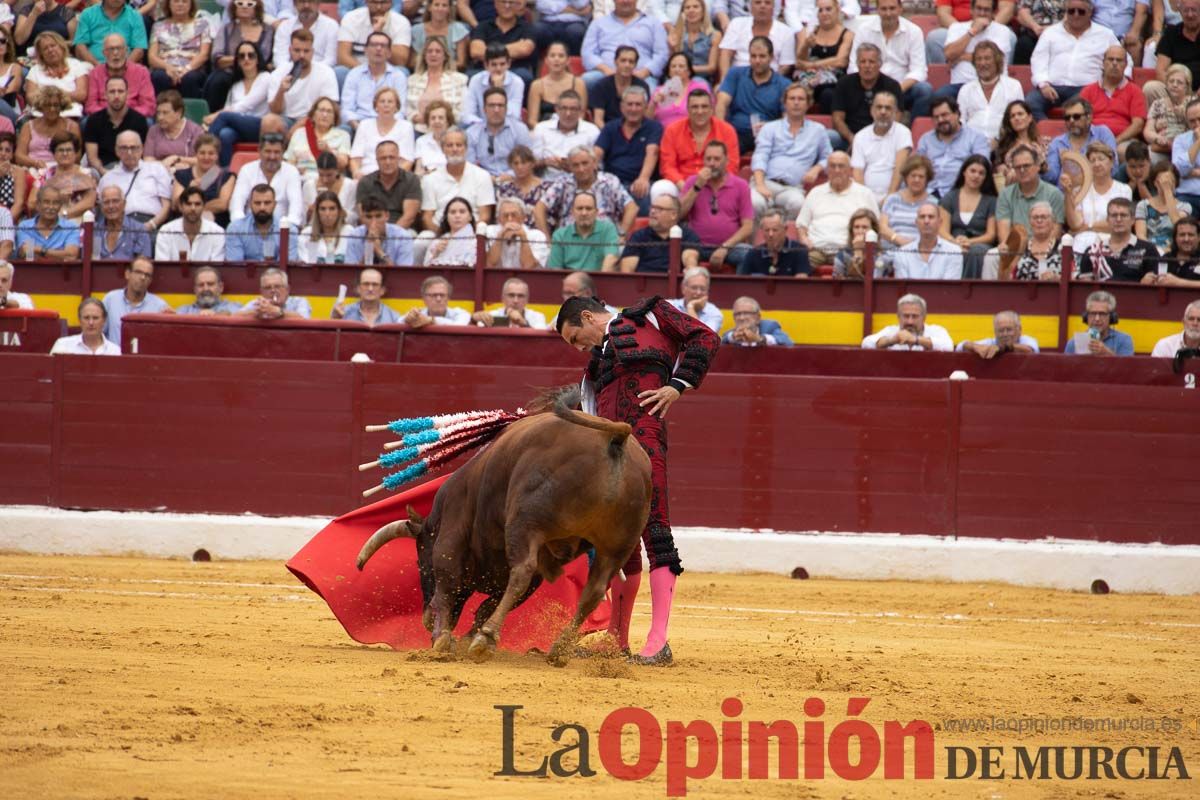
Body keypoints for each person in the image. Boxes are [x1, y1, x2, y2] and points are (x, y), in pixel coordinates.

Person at [555, 290, 721, 664]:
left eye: (574, 339)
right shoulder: (594, 366)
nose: (579, 348)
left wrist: (677, 386)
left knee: (655, 530)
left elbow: (705, 337)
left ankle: (658, 640)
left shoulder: (649, 315)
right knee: (618, 542)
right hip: (610, 453)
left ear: (585, 318)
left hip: (645, 441)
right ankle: (617, 637)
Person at [1025, 0, 1120, 120]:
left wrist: (1114, 83)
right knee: (1029, 104)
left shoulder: (1105, 34)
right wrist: (1043, 85)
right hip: (1052, 87)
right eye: (1071, 11)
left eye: (1081, 11)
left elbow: (1124, 59)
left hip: (1087, 88)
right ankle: (1046, 133)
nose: (1076, 15)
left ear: (1090, 12)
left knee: (1075, 108)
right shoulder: (1050, 33)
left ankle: (1067, 137)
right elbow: (1038, 60)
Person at [846, 0, 933, 119]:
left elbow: (919, 71)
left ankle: (912, 131)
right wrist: (869, 85)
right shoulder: (864, 30)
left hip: (902, 87)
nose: (888, 13)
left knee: (924, 90)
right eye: (884, 9)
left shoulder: (914, 31)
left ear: (900, 9)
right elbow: (853, 67)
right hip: (870, 86)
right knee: (843, 88)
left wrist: (896, 89)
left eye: (892, 8)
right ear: (877, 10)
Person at [678, 140, 753, 271]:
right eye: (708, 159)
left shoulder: (741, 185)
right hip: (695, 245)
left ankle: (741, 291)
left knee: (749, 254)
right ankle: (691, 288)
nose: (712, 163)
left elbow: (748, 227)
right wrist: (697, 187)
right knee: (675, 251)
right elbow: (678, 215)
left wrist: (724, 248)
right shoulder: (692, 182)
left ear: (727, 161)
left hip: (729, 247)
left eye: (717, 159)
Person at [795, 150, 880, 265]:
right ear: (827, 170)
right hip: (817, 249)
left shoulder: (865, 194)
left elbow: (876, 227)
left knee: (851, 271)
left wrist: (860, 246)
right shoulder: (815, 192)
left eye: (841, 166)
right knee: (799, 267)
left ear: (850, 170)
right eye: (832, 166)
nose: (837, 170)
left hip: (849, 249)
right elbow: (801, 225)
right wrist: (805, 241)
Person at [655, 89, 739, 196]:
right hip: (682, 184)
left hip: (716, 184)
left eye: (704, 106)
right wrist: (685, 186)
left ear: (712, 109)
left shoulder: (727, 131)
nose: (700, 111)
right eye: (695, 107)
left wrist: (711, 186)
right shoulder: (672, 130)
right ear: (687, 110)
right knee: (660, 188)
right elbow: (667, 166)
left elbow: (731, 165)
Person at [535, 146, 637, 235]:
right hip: (569, 242)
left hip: (603, 242)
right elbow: (539, 208)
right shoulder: (563, 183)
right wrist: (547, 241)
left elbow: (632, 207)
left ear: (594, 163)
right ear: (570, 167)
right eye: (576, 165)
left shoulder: (609, 181)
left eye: (585, 163)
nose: (581, 169)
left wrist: (622, 235)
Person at [715, 36, 790, 154]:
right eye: (753, 56)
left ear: (771, 57)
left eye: (762, 56)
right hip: (737, 132)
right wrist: (720, 132)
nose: (757, 60)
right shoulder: (735, 74)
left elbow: (788, 119)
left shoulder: (783, 84)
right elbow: (721, 103)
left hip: (769, 135)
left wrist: (770, 126)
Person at [595, 86, 662, 215]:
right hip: (612, 181)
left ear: (645, 107)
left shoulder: (654, 127)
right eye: (629, 104)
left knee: (642, 197)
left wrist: (643, 178)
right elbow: (597, 152)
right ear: (622, 107)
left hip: (638, 182)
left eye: (638, 104)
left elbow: (652, 153)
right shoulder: (610, 127)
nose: (633, 109)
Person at [204, 41, 272, 165]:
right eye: (242, 56)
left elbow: (245, 105)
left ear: (258, 59)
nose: (246, 59)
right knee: (225, 134)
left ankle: (203, 149)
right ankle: (225, 173)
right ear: (238, 61)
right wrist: (220, 116)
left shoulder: (266, 77)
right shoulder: (236, 84)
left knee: (223, 116)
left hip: (259, 126)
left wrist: (215, 116)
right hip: (239, 128)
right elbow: (228, 107)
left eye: (251, 55)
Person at [581, 0, 669, 92]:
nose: (625, 1)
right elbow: (587, 53)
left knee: (651, 90)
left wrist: (644, 72)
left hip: (642, 76)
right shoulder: (598, 23)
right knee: (586, 80)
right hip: (605, 74)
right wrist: (606, 70)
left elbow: (662, 54)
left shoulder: (653, 23)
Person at [936, 0, 1015, 102]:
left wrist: (960, 56)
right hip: (960, 85)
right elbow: (949, 54)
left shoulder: (1002, 31)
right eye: (979, 8)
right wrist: (972, 31)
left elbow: (994, 59)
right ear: (971, 10)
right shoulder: (956, 28)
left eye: (986, 10)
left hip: (992, 85)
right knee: (940, 96)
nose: (982, 13)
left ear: (993, 13)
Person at [94, 131, 172, 234]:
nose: (129, 152)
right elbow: (103, 210)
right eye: (124, 148)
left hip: (153, 224)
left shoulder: (157, 169)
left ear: (141, 149)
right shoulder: (108, 178)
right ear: (117, 151)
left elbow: (166, 206)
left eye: (134, 148)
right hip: (120, 227)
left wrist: (151, 225)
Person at [830, 44, 903, 150]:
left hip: (881, 138)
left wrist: (876, 139)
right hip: (849, 138)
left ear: (879, 64)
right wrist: (852, 138)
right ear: (857, 64)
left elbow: (896, 117)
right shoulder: (844, 83)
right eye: (863, 62)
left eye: (871, 62)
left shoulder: (892, 86)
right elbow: (837, 118)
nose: (867, 66)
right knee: (830, 136)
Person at [420, 128, 496, 229]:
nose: (454, 149)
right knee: (420, 243)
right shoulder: (430, 179)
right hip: (440, 233)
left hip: (473, 232)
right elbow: (427, 217)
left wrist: (466, 236)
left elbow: (485, 215)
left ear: (466, 148)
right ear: (442, 149)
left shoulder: (482, 176)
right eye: (450, 145)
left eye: (459, 145)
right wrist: (444, 236)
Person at [1063, 141, 1132, 251]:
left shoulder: (1123, 190)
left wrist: (1089, 226)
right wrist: (1067, 193)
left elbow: (1119, 223)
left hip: (1112, 243)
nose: (1096, 164)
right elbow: (1076, 224)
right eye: (1092, 160)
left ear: (1111, 162)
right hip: (1082, 244)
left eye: (1101, 159)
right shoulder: (1080, 190)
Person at [204, 0, 272, 112]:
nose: (244, 7)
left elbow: (263, 57)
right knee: (218, 79)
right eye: (240, 3)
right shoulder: (226, 29)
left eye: (250, 4)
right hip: (229, 72)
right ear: (234, 8)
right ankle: (212, 116)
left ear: (257, 8)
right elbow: (217, 57)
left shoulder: (267, 30)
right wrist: (243, 59)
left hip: (257, 74)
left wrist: (237, 59)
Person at [917, 97, 992, 198]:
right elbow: (917, 167)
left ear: (957, 114)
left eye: (944, 115)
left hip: (961, 194)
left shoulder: (975, 137)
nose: (940, 120)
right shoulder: (926, 139)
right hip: (929, 193)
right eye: (936, 117)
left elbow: (982, 166)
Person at [229, 132, 305, 229]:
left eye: (277, 152)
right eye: (268, 151)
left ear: (283, 153)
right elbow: (237, 204)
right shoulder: (247, 170)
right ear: (259, 151)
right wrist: (241, 227)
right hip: (250, 229)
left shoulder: (291, 171)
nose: (272, 157)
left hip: (283, 229)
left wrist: (287, 229)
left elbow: (296, 206)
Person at [939, 154, 998, 277]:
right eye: (973, 171)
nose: (976, 176)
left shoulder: (991, 201)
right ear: (964, 172)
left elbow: (991, 235)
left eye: (981, 173)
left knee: (975, 252)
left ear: (985, 178)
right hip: (952, 242)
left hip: (980, 244)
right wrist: (955, 243)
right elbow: (942, 231)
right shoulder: (950, 197)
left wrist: (969, 242)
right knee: (952, 251)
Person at [268, 29, 340, 128]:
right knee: (269, 121)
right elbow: (275, 111)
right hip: (287, 120)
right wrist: (281, 91)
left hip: (315, 121)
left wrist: (301, 124)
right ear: (290, 50)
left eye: (306, 51)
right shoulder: (278, 73)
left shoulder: (326, 72)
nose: (302, 55)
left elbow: (330, 108)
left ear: (312, 52)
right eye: (297, 50)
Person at [792, 0, 853, 114]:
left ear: (837, 9)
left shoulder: (847, 34)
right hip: (810, 79)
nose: (824, 13)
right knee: (797, 91)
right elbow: (800, 62)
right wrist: (805, 45)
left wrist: (812, 65)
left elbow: (840, 61)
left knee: (827, 94)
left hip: (835, 81)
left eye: (828, 9)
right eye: (820, 10)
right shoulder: (810, 31)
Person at [851, 90, 912, 202]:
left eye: (888, 108)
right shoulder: (860, 136)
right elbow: (857, 172)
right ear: (872, 110)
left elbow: (900, 169)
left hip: (896, 195)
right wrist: (866, 199)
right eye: (879, 107)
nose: (883, 112)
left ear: (895, 112)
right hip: (866, 196)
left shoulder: (903, 133)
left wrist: (890, 197)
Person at [958, 42, 1025, 142]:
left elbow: (1019, 119)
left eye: (987, 58)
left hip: (1004, 142)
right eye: (979, 59)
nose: (982, 63)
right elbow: (960, 122)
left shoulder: (1013, 86)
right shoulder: (966, 89)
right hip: (971, 145)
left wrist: (999, 140)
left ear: (997, 61)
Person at [341, 31, 409, 131]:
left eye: (383, 45)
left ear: (389, 52)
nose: (378, 49)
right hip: (359, 124)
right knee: (343, 129)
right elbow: (347, 109)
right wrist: (358, 127)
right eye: (374, 45)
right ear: (365, 50)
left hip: (389, 125)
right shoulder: (354, 74)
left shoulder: (398, 76)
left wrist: (386, 127)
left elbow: (401, 111)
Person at [619, 194, 702, 272]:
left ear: (673, 214)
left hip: (676, 285)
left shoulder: (688, 236)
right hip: (643, 285)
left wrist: (690, 267)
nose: (652, 211)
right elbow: (627, 271)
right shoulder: (639, 236)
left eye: (659, 209)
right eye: (652, 207)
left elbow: (690, 258)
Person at [83, 77, 150, 175]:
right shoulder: (94, 120)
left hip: (131, 169)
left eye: (120, 91)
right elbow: (92, 158)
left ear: (127, 93)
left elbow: (141, 153)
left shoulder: (139, 120)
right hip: (103, 169)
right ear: (105, 95)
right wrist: (104, 172)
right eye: (112, 92)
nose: (116, 96)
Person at [1078, 197, 1156, 280]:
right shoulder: (1092, 251)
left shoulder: (1148, 250)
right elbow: (1084, 287)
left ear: (1133, 220)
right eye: (1114, 215)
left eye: (1123, 215)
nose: (1118, 219)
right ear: (1107, 220)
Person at [148, 0, 213, 98]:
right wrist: (168, 67)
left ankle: (190, 112)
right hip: (165, 67)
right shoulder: (158, 26)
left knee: (189, 78)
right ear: (168, 4)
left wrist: (185, 69)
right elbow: (152, 57)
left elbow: (204, 54)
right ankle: (162, 111)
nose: (180, 4)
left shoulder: (203, 24)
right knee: (159, 77)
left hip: (192, 67)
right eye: (176, 1)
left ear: (191, 4)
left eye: (184, 1)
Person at [101, 256, 173, 345]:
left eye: (147, 275)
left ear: (150, 280)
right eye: (138, 272)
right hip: (114, 357)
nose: (143, 277)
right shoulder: (110, 299)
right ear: (127, 274)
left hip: (144, 358)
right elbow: (99, 333)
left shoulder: (159, 306)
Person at [547, 190, 623, 271]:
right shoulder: (560, 235)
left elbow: (611, 258)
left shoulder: (607, 229)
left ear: (596, 212)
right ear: (572, 212)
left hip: (599, 280)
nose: (584, 213)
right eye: (579, 208)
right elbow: (556, 269)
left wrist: (602, 281)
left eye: (589, 208)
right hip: (569, 281)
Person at [84, 34, 156, 119]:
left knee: (148, 122)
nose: (115, 53)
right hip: (104, 118)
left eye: (119, 48)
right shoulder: (95, 73)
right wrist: (111, 115)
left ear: (126, 51)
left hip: (133, 117)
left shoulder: (141, 72)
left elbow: (148, 105)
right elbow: (91, 106)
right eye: (111, 49)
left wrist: (126, 115)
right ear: (104, 53)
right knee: (86, 122)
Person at [532, 90, 599, 180]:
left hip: (580, 183)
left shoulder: (592, 131)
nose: (568, 114)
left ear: (580, 110)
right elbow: (531, 163)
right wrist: (545, 162)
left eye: (573, 109)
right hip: (547, 183)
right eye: (564, 108)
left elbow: (598, 167)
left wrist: (574, 166)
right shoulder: (541, 128)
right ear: (556, 109)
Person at [338, 0, 412, 82]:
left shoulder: (402, 22)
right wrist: (366, 72)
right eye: (374, 2)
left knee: (402, 71)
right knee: (340, 71)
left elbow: (400, 61)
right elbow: (342, 57)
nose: (378, 7)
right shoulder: (351, 18)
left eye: (383, 3)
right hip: (357, 67)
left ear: (391, 3)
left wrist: (380, 32)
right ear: (366, 2)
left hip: (387, 70)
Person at [466, 87, 534, 177]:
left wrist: (510, 175)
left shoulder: (520, 130)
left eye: (500, 105)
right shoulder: (471, 133)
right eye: (491, 105)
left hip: (515, 180)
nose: (496, 110)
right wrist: (486, 178)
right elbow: (470, 165)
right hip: (482, 182)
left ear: (506, 108)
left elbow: (527, 161)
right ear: (484, 109)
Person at [171, 134, 236, 226]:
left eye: (211, 153)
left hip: (215, 226)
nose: (206, 157)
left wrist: (191, 207)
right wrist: (189, 190)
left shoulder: (227, 177)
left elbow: (222, 204)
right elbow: (176, 205)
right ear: (196, 154)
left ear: (217, 155)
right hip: (183, 225)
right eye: (202, 153)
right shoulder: (182, 175)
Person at [717, 0, 796, 76]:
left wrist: (770, 82)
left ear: (774, 7)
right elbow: (725, 54)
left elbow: (785, 65)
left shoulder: (786, 32)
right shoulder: (736, 24)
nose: (762, 6)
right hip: (738, 78)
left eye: (767, 3)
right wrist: (725, 81)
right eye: (758, 2)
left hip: (770, 80)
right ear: (750, 7)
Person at [466, 0, 536, 85]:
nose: (507, 6)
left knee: (525, 76)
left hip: (515, 69)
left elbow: (525, 49)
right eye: (503, 2)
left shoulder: (526, 27)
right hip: (485, 69)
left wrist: (489, 50)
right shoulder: (483, 26)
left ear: (517, 5)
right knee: (470, 76)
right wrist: (514, 49)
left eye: (511, 2)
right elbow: (476, 51)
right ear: (495, 4)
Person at [407, 37, 468, 131]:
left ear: (445, 56)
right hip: (419, 129)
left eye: (438, 51)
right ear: (424, 55)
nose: (433, 54)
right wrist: (415, 117)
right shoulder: (412, 80)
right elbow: (407, 108)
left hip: (450, 131)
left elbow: (464, 110)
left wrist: (443, 120)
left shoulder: (459, 80)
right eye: (429, 51)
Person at [17, 86, 82, 175]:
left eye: (56, 105)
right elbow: (19, 155)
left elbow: (77, 155)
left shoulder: (72, 126)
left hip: (63, 169)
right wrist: (35, 163)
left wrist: (61, 163)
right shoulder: (28, 126)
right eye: (48, 105)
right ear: (41, 106)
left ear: (61, 106)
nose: (52, 109)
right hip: (33, 169)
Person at [357, 140, 422, 228]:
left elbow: (409, 217)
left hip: (404, 231)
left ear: (398, 159)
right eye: (383, 158)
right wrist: (377, 233)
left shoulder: (411, 180)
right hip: (373, 229)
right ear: (377, 160)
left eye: (391, 157)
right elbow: (363, 215)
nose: (388, 162)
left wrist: (390, 236)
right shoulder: (365, 182)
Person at [27, 31, 90, 120]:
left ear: (61, 46)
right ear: (41, 54)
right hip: (41, 116)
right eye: (45, 48)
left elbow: (81, 94)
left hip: (70, 114)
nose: (50, 50)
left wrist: (50, 97)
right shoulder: (35, 70)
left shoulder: (76, 64)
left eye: (53, 45)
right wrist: (64, 96)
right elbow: (30, 98)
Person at [891, 202, 965, 279]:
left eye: (931, 217)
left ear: (940, 222)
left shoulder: (954, 252)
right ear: (916, 222)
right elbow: (903, 288)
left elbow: (950, 288)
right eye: (922, 217)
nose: (926, 221)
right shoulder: (902, 254)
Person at [33, 132, 96, 222]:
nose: (65, 153)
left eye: (69, 150)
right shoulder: (44, 175)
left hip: (78, 220)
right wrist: (57, 198)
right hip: (48, 220)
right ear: (54, 154)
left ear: (75, 153)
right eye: (60, 150)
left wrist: (64, 214)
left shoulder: (86, 173)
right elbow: (32, 202)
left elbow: (89, 202)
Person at [879, 154, 935, 253]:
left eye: (921, 176)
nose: (916, 180)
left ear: (927, 180)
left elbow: (936, 232)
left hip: (921, 252)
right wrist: (900, 240)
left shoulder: (933, 203)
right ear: (906, 177)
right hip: (892, 251)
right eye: (913, 175)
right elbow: (882, 227)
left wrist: (914, 246)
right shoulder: (892, 199)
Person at [226, 184, 297, 261]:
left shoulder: (290, 230)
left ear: (274, 204)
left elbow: (287, 266)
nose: (262, 207)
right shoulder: (235, 229)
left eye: (267, 203)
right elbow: (236, 266)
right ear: (250, 204)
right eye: (257, 203)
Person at [287, 96, 352, 180]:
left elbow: (343, 164)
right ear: (313, 115)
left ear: (334, 118)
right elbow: (289, 161)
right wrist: (295, 171)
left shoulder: (343, 135)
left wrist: (328, 150)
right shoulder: (299, 133)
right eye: (321, 110)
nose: (325, 115)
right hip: (301, 178)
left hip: (329, 180)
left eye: (329, 112)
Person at [156, 186, 227, 262]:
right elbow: (163, 268)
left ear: (203, 206)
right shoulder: (166, 231)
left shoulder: (217, 232)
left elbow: (217, 268)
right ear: (181, 206)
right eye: (188, 204)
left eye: (197, 204)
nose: (193, 208)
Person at [463, 44, 526, 129]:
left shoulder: (517, 82)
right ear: (486, 65)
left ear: (509, 64)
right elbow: (468, 114)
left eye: (502, 64)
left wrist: (498, 90)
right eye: (494, 64)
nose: (498, 69)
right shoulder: (476, 80)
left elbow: (514, 115)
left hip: (508, 128)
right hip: (479, 127)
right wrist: (485, 126)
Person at [861, 293, 954, 350]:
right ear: (898, 316)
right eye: (906, 316)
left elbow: (948, 346)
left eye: (915, 316)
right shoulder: (891, 331)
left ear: (924, 317)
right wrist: (892, 340)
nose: (910, 322)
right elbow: (866, 343)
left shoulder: (936, 330)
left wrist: (915, 340)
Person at [527, 41, 588, 125]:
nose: (556, 59)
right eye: (552, 56)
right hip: (544, 133)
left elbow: (581, 116)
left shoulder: (578, 83)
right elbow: (532, 120)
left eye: (561, 56)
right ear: (546, 60)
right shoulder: (537, 85)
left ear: (568, 60)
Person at [1135, 161, 1191, 252]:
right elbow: (1140, 235)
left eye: (1170, 181)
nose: (1165, 184)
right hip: (1149, 252)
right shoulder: (1143, 205)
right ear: (1155, 182)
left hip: (1173, 252)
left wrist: (1167, 191)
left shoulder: (1185, 206)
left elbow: (1178, 224)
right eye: (1162, 181)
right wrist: (1156, 251)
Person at [144, 90, 206, 172]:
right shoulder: (153, 130)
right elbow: (147, 160)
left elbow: (202, 160)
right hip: (159, 174)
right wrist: (164, 165)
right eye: (158, 113)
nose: (160, 117)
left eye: (165, 113)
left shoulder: (195, 131)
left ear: (179, 113)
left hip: (187, 174)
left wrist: (177, 159)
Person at [73, 0, 148, 66]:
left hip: (125, 66)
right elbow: (80, 46)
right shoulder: (88, 14)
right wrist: (97, 66)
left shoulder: (135, 16)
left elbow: (139, 49)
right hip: (92, 66)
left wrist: (122, 67)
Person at [593, 46, 652, 129]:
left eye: (631, 62)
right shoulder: (602, 86)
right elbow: (598, 120)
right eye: (623, 61)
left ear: (635, 65)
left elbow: (645, 117)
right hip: (608, 130)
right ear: (615, 62)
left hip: (635, 130)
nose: (627, 65)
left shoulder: (642, 86)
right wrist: (609, 135)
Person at [14, 186, 80, 260]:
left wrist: (40, 250)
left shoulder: (71, 227)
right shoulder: (25, 226)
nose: (51, 207)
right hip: (34, 270)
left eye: (55, 203)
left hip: (61, 271)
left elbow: (71, 256)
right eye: (46, 202)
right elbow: (27, 254)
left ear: (60, 206)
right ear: (38, 205)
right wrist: (59, 254)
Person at [345, 196, 416, 265]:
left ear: (387, 216)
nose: (374, 222)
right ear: (362, 218)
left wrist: (379, 251)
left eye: (378, 216)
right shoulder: (354, 235)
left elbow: (402, 274)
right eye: (368, 217)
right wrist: (368, 250)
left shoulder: (403, 237)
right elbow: (352, 272)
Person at [1144, 63, 1193, 162]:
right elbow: (1148, 131)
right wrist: (1157, 138)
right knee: (1146, 157)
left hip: (1188, 147)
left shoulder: (1194, 103)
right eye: (1171, 81)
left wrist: (1185, 115)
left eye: (1179, 82)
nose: (1174, 85)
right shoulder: (1158, 104)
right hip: (1162, 147)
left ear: (1187, 86)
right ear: (1166, 83)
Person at [273, 0, 339, 71]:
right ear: (294, 4)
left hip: (321, 74)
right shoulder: (285, 26)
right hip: (290, 73)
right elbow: (280, 60)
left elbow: (331, 60)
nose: (306, 5)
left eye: (310, 1)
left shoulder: (331, 26)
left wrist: (309, 72)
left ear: (318, 3)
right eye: (302, 1)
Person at [648, 52, 709, 130]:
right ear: (669, 71)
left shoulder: (700, 88)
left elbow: (708, 114)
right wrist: (653, 103)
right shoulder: (659, 91)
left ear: (689, 71)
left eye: (681, 66)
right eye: (673, 66)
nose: (677, 69)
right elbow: (648, 120)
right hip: (664, 136)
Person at [1063, 289, 1135, 354]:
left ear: (1111, 317)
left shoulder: (1124, 340)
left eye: (1102, 314)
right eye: (1093, 313)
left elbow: (1127, 368)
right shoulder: (1073, 343)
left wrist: (1106, 353)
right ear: (1086, 317)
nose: (1097, 319)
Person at [93, 185, 154, 260]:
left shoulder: (139, 230)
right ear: (101, 207)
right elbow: (93, 259)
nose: (111, 206)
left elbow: (142, 263)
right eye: (106, 202)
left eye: (115, 201)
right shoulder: (95, 231)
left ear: (124, 204)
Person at [485, 197, 549, 268]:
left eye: (514, 215)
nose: (510, 219)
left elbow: (529, 266)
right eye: (505, 216)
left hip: (524, 278)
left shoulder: (537, 236)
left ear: (524, 217)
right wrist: (500, 236)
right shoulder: (489, 231)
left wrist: (523, 237)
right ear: (499, 219)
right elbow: (489, 264)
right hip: (495, 278)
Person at [742, 210, 810, 276]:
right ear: (762, 231)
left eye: (775, 230)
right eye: (767, 230)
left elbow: (801, 284)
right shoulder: (753, 253)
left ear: (785, 229)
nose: (770, 234)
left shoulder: (799, 251)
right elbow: (743, 284)